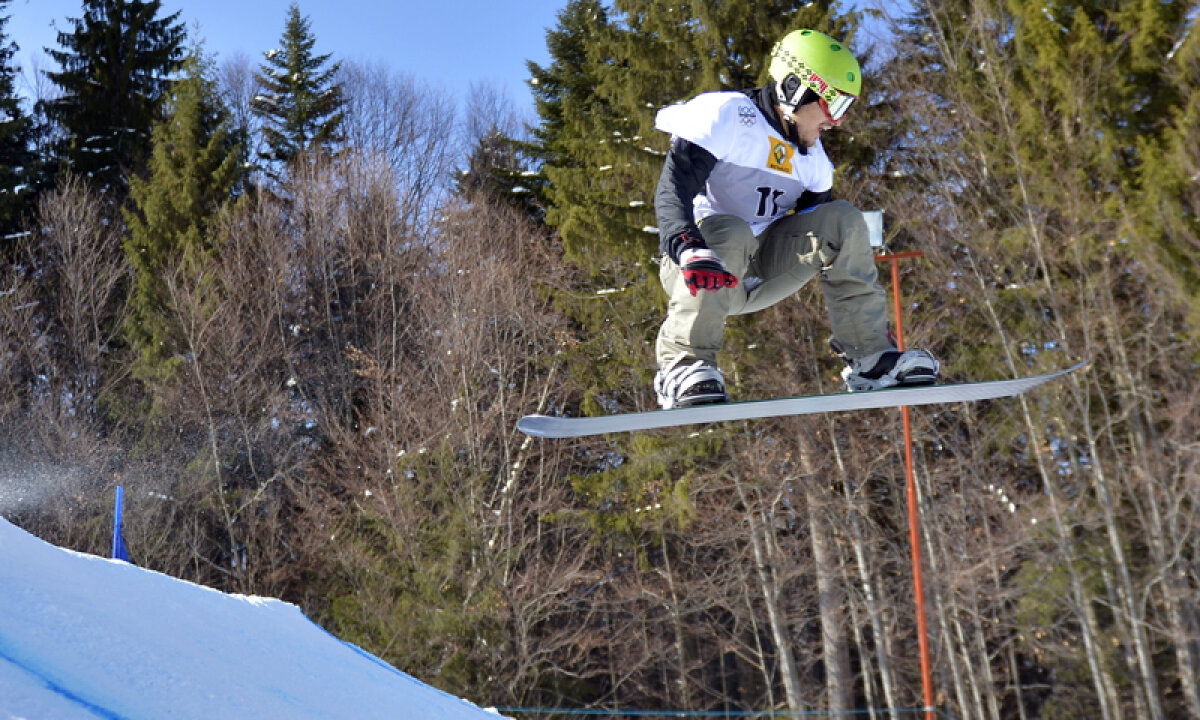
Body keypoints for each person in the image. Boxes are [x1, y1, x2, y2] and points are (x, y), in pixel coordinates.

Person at [651, 28, 939, 409]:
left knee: (843, 220)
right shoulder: (726, 117)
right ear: (793, 88)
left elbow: (821, 243)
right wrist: (688, 247)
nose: (837, 122)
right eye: (834, 106)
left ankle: (870, 357)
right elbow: (673, 188)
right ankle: (682, 365)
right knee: (732, 230)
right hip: (700, 265)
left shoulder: (814, 163)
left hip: (756, 273)